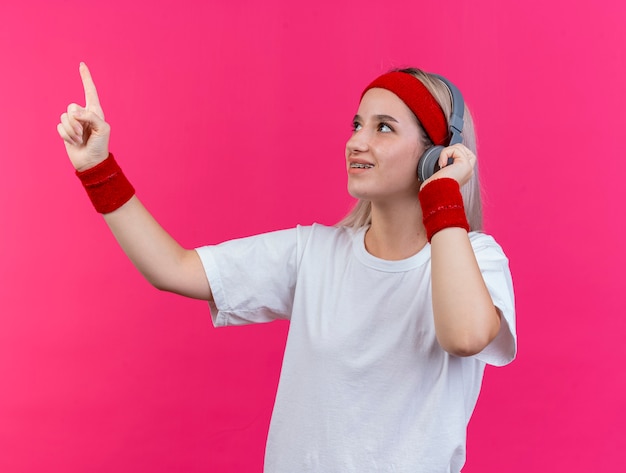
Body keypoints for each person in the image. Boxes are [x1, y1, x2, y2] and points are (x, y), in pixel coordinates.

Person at [57, 63, 516, 473]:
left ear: (437, 154)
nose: (356, 140)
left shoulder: (477, 259)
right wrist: (98, 168)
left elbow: (464, 336)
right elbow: (173, 268)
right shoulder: (313, 253)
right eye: (357, 124)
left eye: (384, 128)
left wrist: (442, 196)